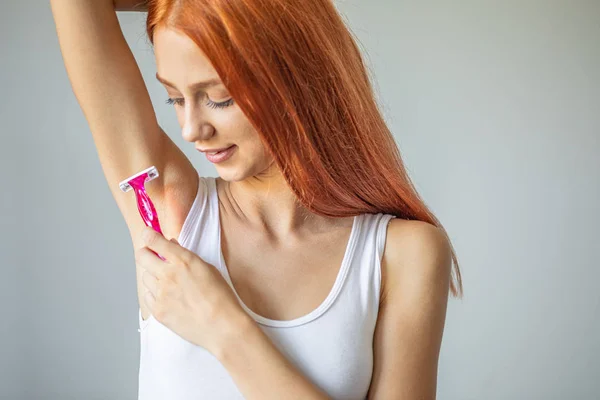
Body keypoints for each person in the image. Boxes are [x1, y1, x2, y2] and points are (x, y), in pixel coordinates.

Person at [50, 0, 463, 398]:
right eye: (175, 98)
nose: (192, 129)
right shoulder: (170, 211)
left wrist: (223, 326)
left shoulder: (404, 255)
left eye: (219, 97)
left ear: (294, 77)